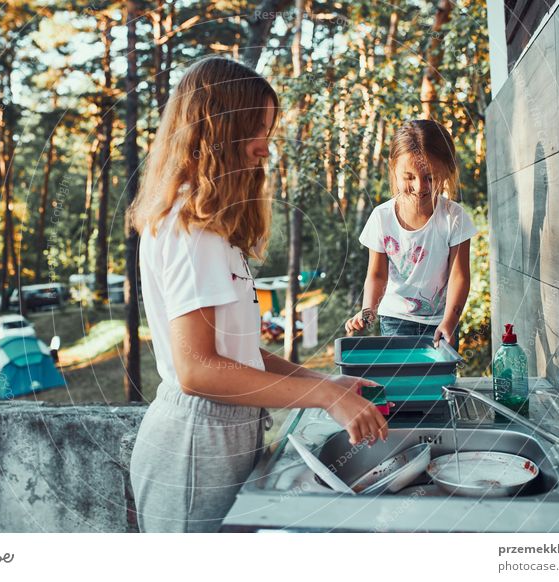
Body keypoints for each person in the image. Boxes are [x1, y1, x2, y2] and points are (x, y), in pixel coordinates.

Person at [127, 57, 388, 533]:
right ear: (219, 130)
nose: (265, 148)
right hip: (194, 447)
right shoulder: (192, 229)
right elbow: (196, 369)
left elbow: (237, 354)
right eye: (256, 130)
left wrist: (324, 382)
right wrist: (322, 395)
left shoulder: (210, 228)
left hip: (220, 436)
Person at [345, 119, 477, 349]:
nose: (420, 187)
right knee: (402, 379)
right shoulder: (381, 217)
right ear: (393, 168)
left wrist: (450, 321)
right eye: (409, 177)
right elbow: (377, 275)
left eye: (430, 177)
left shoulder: (454, 217)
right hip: (395, 320)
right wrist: (368, 312)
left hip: (441, 321)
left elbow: (460, 276)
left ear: (446, 171)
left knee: (439, 381)